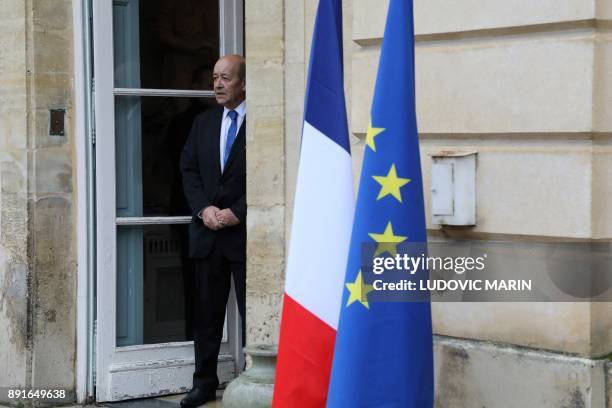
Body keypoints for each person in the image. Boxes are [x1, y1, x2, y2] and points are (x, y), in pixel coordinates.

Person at [179, 54, 246, 407]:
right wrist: (204, 209)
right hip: (207, 233)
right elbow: (188, 170)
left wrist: (238, 213)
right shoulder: (203, 123)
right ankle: (204, 383)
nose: (218, 84)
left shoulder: (262, 123)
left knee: (254, 313)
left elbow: (272, 175)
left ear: (244, 83)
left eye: (226, 78)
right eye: (215, 78)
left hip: (245, 237)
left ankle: (256, 378)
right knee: (206, 315)